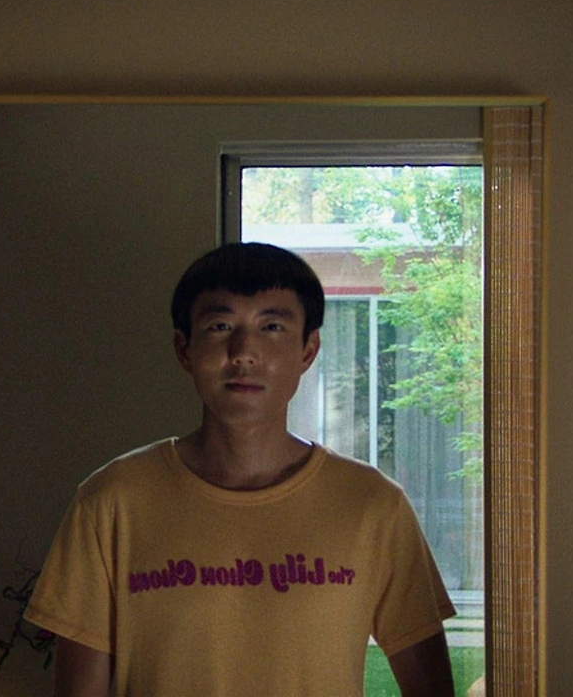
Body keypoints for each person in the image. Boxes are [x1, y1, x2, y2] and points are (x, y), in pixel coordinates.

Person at [25, 242, 456, 696]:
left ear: (308, 350)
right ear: (184, 349)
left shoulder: (373, 505)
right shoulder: (111, 502)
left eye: (272, 327)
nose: (244, 352)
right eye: (220, 326)